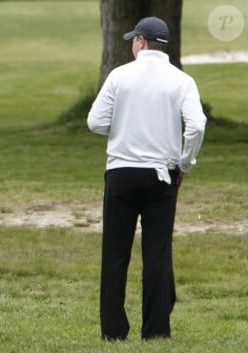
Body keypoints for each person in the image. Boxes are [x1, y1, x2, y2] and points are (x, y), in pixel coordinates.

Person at [87, 17, 206, 340]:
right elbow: (196, 126)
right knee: (157, 251)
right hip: (162, 175)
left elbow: (95, 122)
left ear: (140, 41)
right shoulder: (181, 80)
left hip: (121, 172)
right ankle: (155, 331)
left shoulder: (120, 76)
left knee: (115, 254)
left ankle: (113, 331)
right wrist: (186, 162)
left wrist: (125, 124)